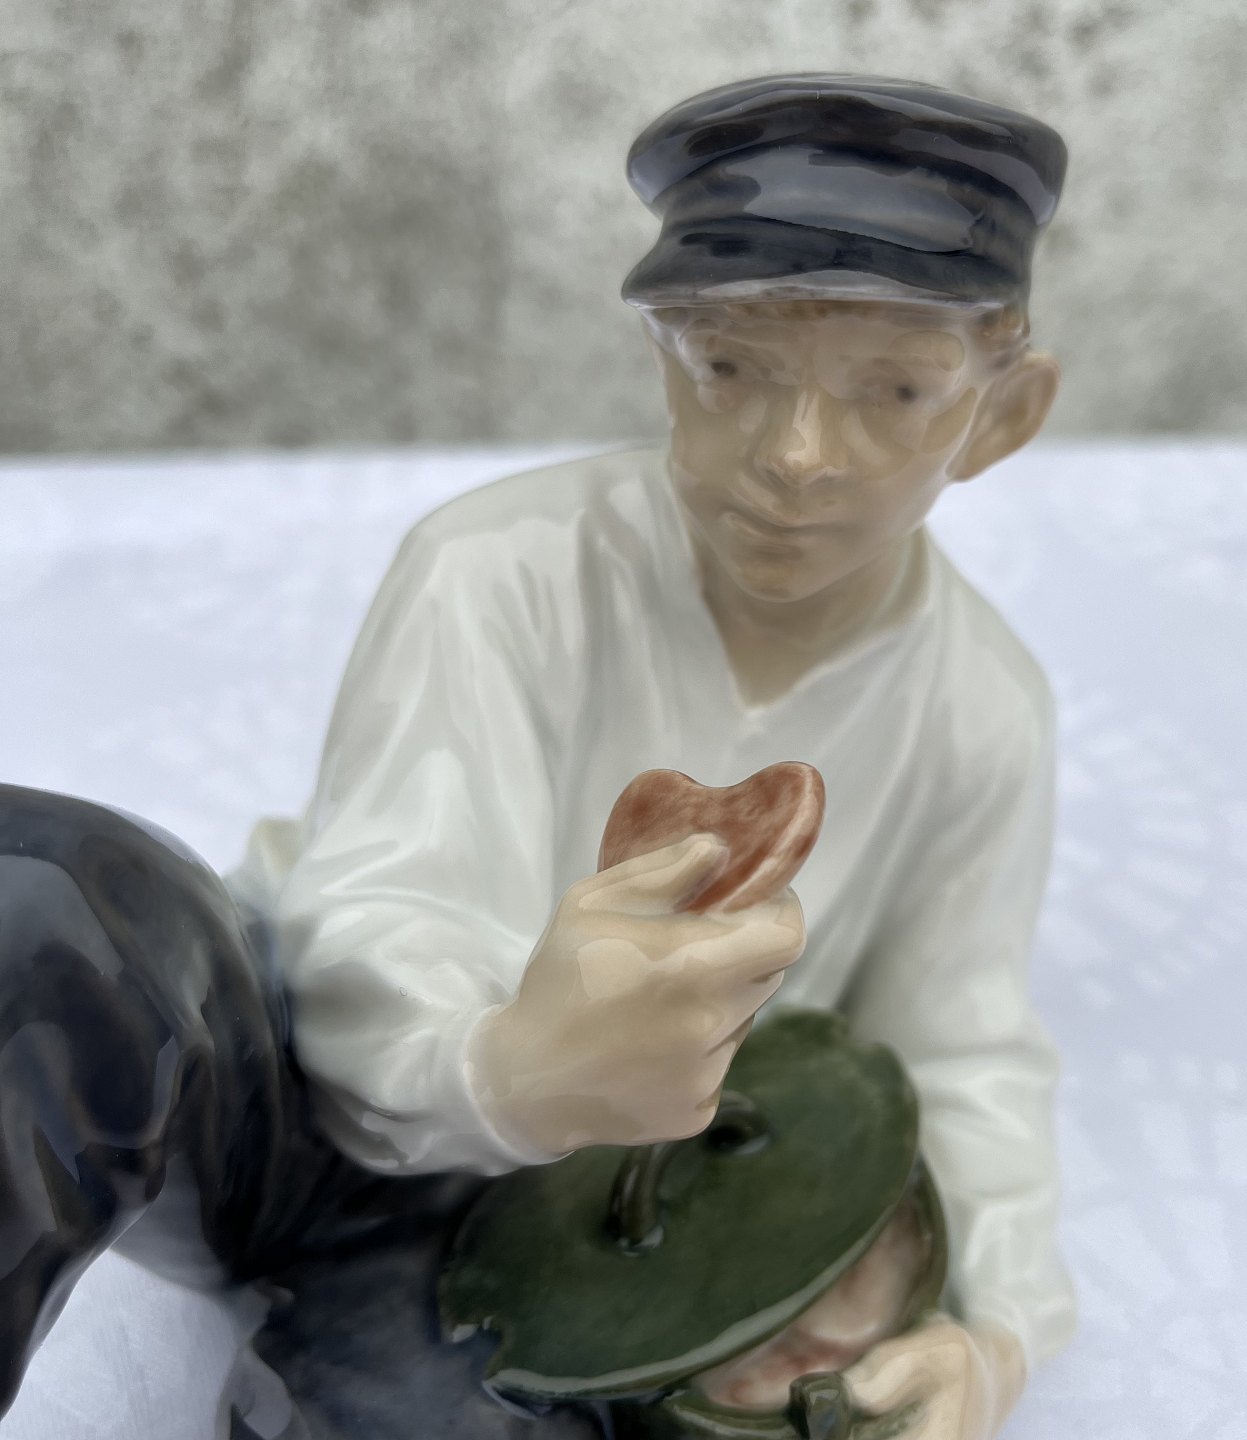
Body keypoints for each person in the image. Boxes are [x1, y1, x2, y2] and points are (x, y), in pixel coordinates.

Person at [0, 74, 1073, 1440]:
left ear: (1003, 414)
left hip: (573, 1226)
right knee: (41, 899)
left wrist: (993, 1326)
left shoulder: (980, 707)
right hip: (299, 1088)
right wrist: (507, 1065)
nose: (799, 454)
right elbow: (380, 902)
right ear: (663, 364)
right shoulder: (496, 568)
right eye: (730, 368)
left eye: (897, 391)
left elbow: (959, 1048)